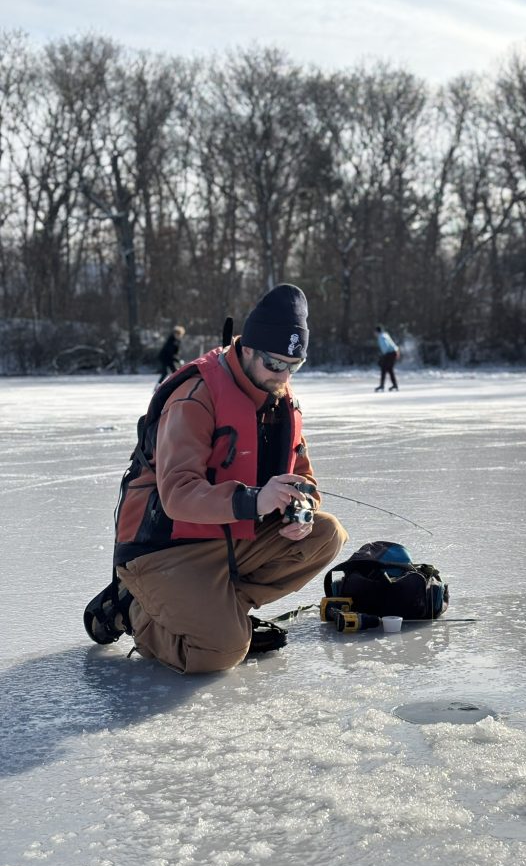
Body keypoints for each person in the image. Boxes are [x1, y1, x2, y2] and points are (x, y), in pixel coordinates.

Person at [85, 284, 348, 674]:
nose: (283, 375)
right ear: (247, 349)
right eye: (275, 364)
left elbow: (303, 475)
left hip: (230, 539)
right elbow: (176, 494)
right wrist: (254, 500)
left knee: (326, 534)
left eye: (294, 366)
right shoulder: (197, 397)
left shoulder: (280, 399)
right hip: (164, 549)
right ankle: (135, 610)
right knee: (221, 653)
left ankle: (222, 614)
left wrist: (302, 506)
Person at [374, 325, 399, 392]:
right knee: (389, 369)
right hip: (393, 352)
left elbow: (385, 347)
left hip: (389, 353)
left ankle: (382, 386)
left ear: (377, 332)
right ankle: (394, 385)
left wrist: (384, 356)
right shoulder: (385, 335)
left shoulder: (381, 337)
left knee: (384, 369)